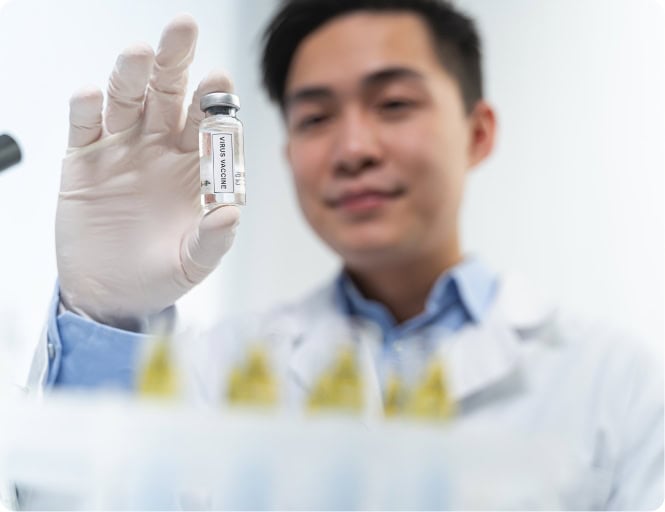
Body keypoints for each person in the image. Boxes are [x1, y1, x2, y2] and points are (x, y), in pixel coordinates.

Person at [9, 0, 663, 509]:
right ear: (288, 154)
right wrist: (108, 316)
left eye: (394, 104)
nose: (353, 149)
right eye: (315, 118)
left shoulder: (615, 381)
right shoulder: (222, 369)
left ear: (477, 132)